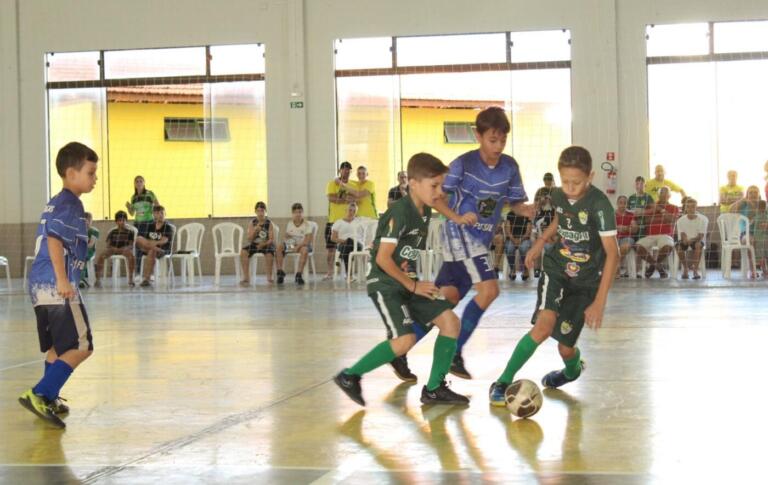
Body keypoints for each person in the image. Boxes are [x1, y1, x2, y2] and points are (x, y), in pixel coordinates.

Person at [333, 152, 469, 406]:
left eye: (441, 185)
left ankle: (434, 389)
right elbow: (384, 259)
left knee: (450, 322)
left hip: (408, 281)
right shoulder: (399, 213)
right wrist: (414, 285)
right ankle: (349, 376)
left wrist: (457, 218)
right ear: (413, 184)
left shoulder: (424, 206)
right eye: (434, 185)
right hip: (385, 284)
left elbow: (437, 203)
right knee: (404, 340)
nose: (439, 191)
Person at [408, 106, 532, 380]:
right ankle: (455, 353)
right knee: (489, 291)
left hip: (480, 241)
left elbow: (514, 204)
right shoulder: (463, 164)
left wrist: (528, 210)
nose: (498, 146)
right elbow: (438, 198)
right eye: (492, 140)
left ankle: (399, 348)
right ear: (478, 135)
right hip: (459, 234)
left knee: (446, 299)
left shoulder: (509, 167)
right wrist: (458, 217)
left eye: (502, 140)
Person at [489, 146, 618, 405]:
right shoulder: (558, 196)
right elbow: (560, 221)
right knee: (543, 327)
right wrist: (539, 243)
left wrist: (599, 302)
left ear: (590, 176)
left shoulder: (600, 205)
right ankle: (503, 381)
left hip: (585, 283)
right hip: (556, 269)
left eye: (576, 182)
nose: (569, 187)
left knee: (565, 347)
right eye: (565, 181)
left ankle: (571, 371)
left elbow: (613, 254)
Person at [19, 142, 99, 428]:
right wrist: (64, 279)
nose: (94, 179)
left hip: (40, 285)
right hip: (56, 285)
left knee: (57, 347)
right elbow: (54, 240)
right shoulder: (70, 204)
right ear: (71, 173)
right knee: (82, 345)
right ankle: (41, 393)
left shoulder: (57, 201)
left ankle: (48, 398)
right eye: (90, 173)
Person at [636, 187, 679, 279]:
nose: (663, 195)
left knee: (667, 247)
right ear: (658, 195)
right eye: (661, 193)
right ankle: (659, 267)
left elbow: (671, 220)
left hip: (665, 235)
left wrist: (660, 211)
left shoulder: (674, 207)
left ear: (669, 196)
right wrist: (663, 217)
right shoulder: (651, 206)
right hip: (650, 236)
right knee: (637, 247)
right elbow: (647, 221)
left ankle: (652, 266)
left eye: (665, 193)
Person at [325, 161, 355, 279]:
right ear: (339, 170)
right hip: (333, 220)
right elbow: (331, 198)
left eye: (348, 170)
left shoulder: (352, 184)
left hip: (348, 221)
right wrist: (345, 199)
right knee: (330, 248)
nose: (346, 171)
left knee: (348, 245)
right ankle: (330, 272)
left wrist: (345, 198)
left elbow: (354, 198)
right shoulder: (332, 183)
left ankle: (348, 271)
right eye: (344, 169)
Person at [94, 210, 136, 288]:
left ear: (126, 221)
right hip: (113, 249)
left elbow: (131, 245)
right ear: (116, 222)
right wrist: (115, 249)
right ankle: (98, 279)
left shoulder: (130, 232)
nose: (122, 222)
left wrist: (122, 249)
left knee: (131, 257)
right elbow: (108, 245)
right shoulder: (112, 232)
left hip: (124, 250)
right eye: (120, 220)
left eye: (124, 220)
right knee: (101, 256)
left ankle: (130, 279)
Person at [275, 203, 313, 285]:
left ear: (302, 213)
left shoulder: (307, 225)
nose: (298, 214)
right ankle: (280, 272)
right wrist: (287, 240)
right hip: (293, 245)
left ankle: (299, 274)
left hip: (303, 245)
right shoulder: (290, 224)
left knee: (305, 250)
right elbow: (287, 237)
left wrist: (298, 246)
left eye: (299, 212)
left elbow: (307, 241)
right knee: (279, 247)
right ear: (292, 214)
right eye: (295, 212)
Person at [135, 205, 174, 287]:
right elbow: (145, 240)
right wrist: (151, 244)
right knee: (138, 239)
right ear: (153, 214)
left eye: (162, 213)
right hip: (153, 248)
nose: (160, 215)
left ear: (165, 214)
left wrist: (153, 243)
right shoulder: (150, 226)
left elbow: (164, 241)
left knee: (151, 251)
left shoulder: (167, 227)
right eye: (157, 213)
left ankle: (146, 279)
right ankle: (155, 250)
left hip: (163, 249)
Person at [729, 185, 762, 278]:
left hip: (760, 233)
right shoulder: (743, 205)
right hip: (745, 233)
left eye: (755, 192)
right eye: (750, 192)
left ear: (759, 194)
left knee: (762, 240)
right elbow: (730, 210)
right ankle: (753, 269)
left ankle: (764, 268)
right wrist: (741, 200)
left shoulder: (762, 205)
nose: (753, 194)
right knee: (750, 241)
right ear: (747, 194)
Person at [239, 201, 276, 285]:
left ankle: (269, 277)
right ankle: (246, 277)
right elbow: (249, 239)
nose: (260, 213)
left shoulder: (269, 223)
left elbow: (271, 239)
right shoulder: (252, 223)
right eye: (258, 211)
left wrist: (263, 244)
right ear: (255, 211)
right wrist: (255, 231)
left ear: (265, 211)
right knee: (243, 252)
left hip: (266, 244)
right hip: (255, 244)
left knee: (269, 254)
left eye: (262, 211)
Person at [627, 176, 654, 278]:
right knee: (630, 246)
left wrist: (643, 212)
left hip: (644, 227)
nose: (639, 186)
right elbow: (627, 211)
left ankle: (639, 269)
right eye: (637, 183)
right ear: (635, 185)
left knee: (640, 246)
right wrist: (633, 216)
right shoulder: (631, 198)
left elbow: (653, 210)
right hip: (633, 227)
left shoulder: (648, 197)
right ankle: (630, 269)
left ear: (645, 185)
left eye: (641, 184)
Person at [675, 198, 708, 280]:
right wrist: (685, 239)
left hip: (696, 240)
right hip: (685, 240)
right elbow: (682, 233)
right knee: (678, 246)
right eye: (688, 207)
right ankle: (685, 268)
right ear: (685, 208)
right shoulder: (680, 220)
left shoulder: (701, 220)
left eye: (693, 207)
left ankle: (695, 270)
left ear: (696, 208)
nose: (690, 209)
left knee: (698, 245)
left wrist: (691, 240)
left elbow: (700, 236)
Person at [331, 202, 363, 272]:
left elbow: (364, 236)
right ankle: (349, 275)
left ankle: (341, 258)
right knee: (348, 243)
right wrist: (344, 241)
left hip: (357, 245)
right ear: (346, 210)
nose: (352, 212)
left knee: (349, 241)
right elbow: (333, 238)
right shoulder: (338, 222)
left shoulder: (359, 222)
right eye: (350, 210)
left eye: (354, 211)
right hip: (343, 244)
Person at [503, 211, 533, 281]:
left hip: (524, 238)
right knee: (509, 248)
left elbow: (528, 231)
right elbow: (507, 230)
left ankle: (525, 270)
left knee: (524, 248)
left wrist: (520, 240)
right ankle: (512, 269)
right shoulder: (510, 214)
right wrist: (513, 239)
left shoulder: (527, 214)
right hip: (511, 238)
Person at [615, 195, 637, 278]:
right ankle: (615, 268)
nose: (622, 205)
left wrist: (625, 228)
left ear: (627, 204)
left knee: (625, 246)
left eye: (625, 203)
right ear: (617, 203)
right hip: (614, 237)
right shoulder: (612, 214)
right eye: (621, 202)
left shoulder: (631, 215)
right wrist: (618, 227)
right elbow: (608, 228)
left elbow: (634, 230)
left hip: (627, 237)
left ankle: (616, 267)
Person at [78, 212, 99, 289]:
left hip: (89, 251)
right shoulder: (78, 231)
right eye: (84, 220)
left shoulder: (94, 231)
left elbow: (90, 245)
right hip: (78, 250)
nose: (86, 222)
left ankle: (80, 279)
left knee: (82, 256)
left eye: (89, 220)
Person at [752, 201, 768, 277]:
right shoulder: (763, 216)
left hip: (759, 239)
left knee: (762, 256)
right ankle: (764, 271)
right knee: (763, 256)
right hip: (762, 238)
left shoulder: (757, 217)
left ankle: (764, 270)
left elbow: (751, 224)